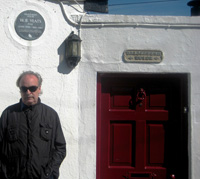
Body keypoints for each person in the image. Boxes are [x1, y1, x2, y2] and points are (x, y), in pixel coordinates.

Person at [0, 71, 66, 179]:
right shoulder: (8, 114)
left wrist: (49, 173)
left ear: (39, 89)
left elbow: (60, 148)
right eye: (24, 89)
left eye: (32, 88)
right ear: (20, 90)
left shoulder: (51, 115)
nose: (28, 92)